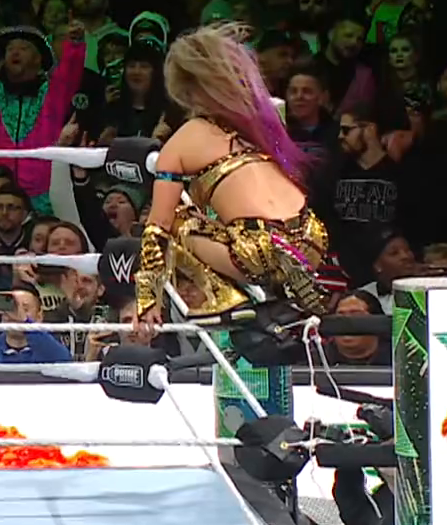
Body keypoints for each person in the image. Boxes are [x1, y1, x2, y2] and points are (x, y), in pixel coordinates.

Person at [133, 23, 332, 333]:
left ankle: (224, 300)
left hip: (257, 249)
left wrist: (147, 301)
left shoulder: (183, 140)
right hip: (311, 238)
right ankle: (281, 291)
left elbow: (157, 228)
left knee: (175, 219)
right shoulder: (261, 127)